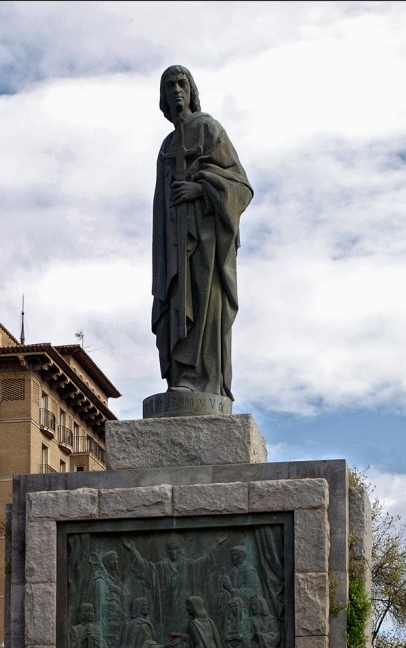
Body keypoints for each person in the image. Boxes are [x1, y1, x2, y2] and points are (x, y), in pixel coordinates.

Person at [152, 65, 253, 399]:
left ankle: (204, 381)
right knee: (176, 301)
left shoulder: (209, 129)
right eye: (169, 86)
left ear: (192, 90)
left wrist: (201, 189)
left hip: (207, 242)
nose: (176, 90)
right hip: (173, 242)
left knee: (205, 304)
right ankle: (180, 376)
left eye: (182, 84)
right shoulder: (167, 144)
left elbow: (240, 185)